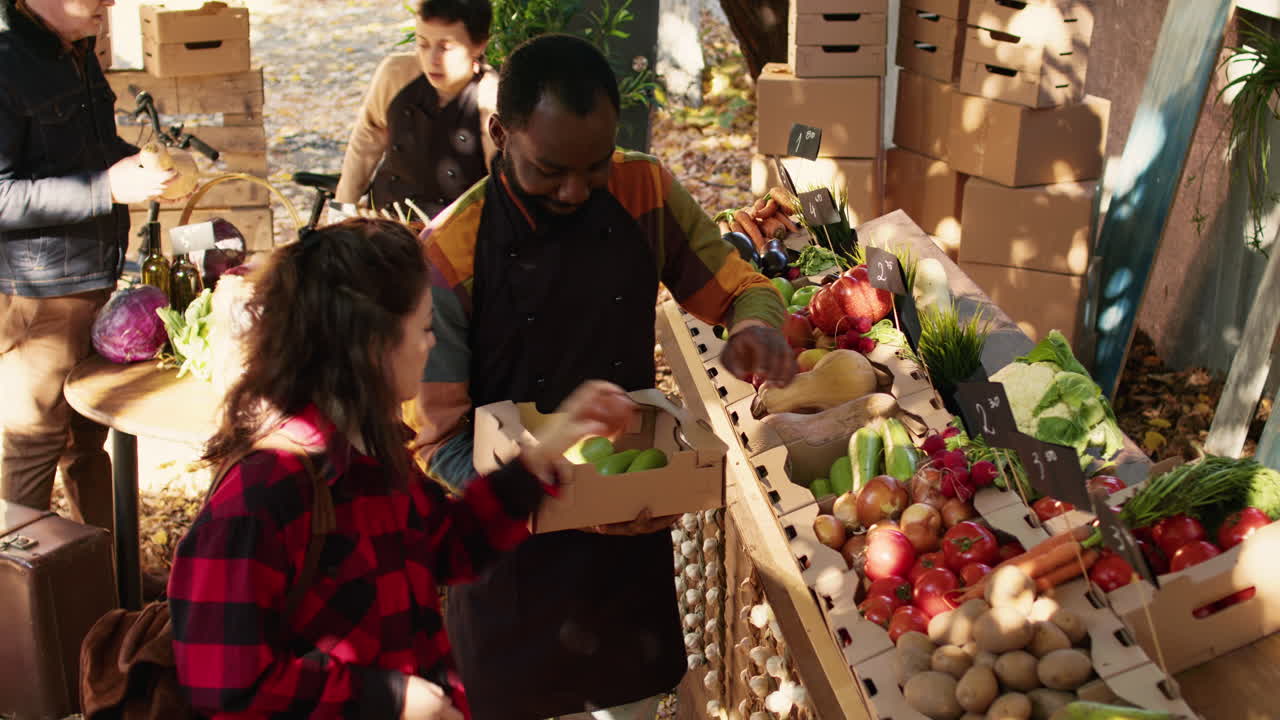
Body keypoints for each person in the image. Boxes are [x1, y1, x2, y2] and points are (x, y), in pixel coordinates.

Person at [414, 34, 798, 720]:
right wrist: (557, 503)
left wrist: (755, 325)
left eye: (594, 167)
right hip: (511, 571)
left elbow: (739, 287)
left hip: (629, 553)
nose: (575, 189)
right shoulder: (451, 253)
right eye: (550, 169)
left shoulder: (642, 187)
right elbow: (437, 442)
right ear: (501, 133)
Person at [168, 218, 637, 719]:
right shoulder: (261, 494)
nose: (432, 345)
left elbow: (452, 545)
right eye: (425, 328)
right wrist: (386, 699)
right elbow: (226, 689)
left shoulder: (372, 454)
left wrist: (551, 443)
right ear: (373, 346)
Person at [0, 0, 176, 531]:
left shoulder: (74, 48)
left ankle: (105, 576)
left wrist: (137, 162)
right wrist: (107, 188)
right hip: (40, 296)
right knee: (31, 446)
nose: (111, 2)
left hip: (93, 279)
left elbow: (91, 150)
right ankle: (23, 598)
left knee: (89, 437)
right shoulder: (6, 61)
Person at [334, 0, 497, 220]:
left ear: (479, 45)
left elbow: (501, 184)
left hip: (455, 233)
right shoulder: (396, 74)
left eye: (445, 47)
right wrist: (343, 205)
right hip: (385, 219)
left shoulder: (490, 98)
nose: (432, 60)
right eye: (423, 44)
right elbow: (367, 139)